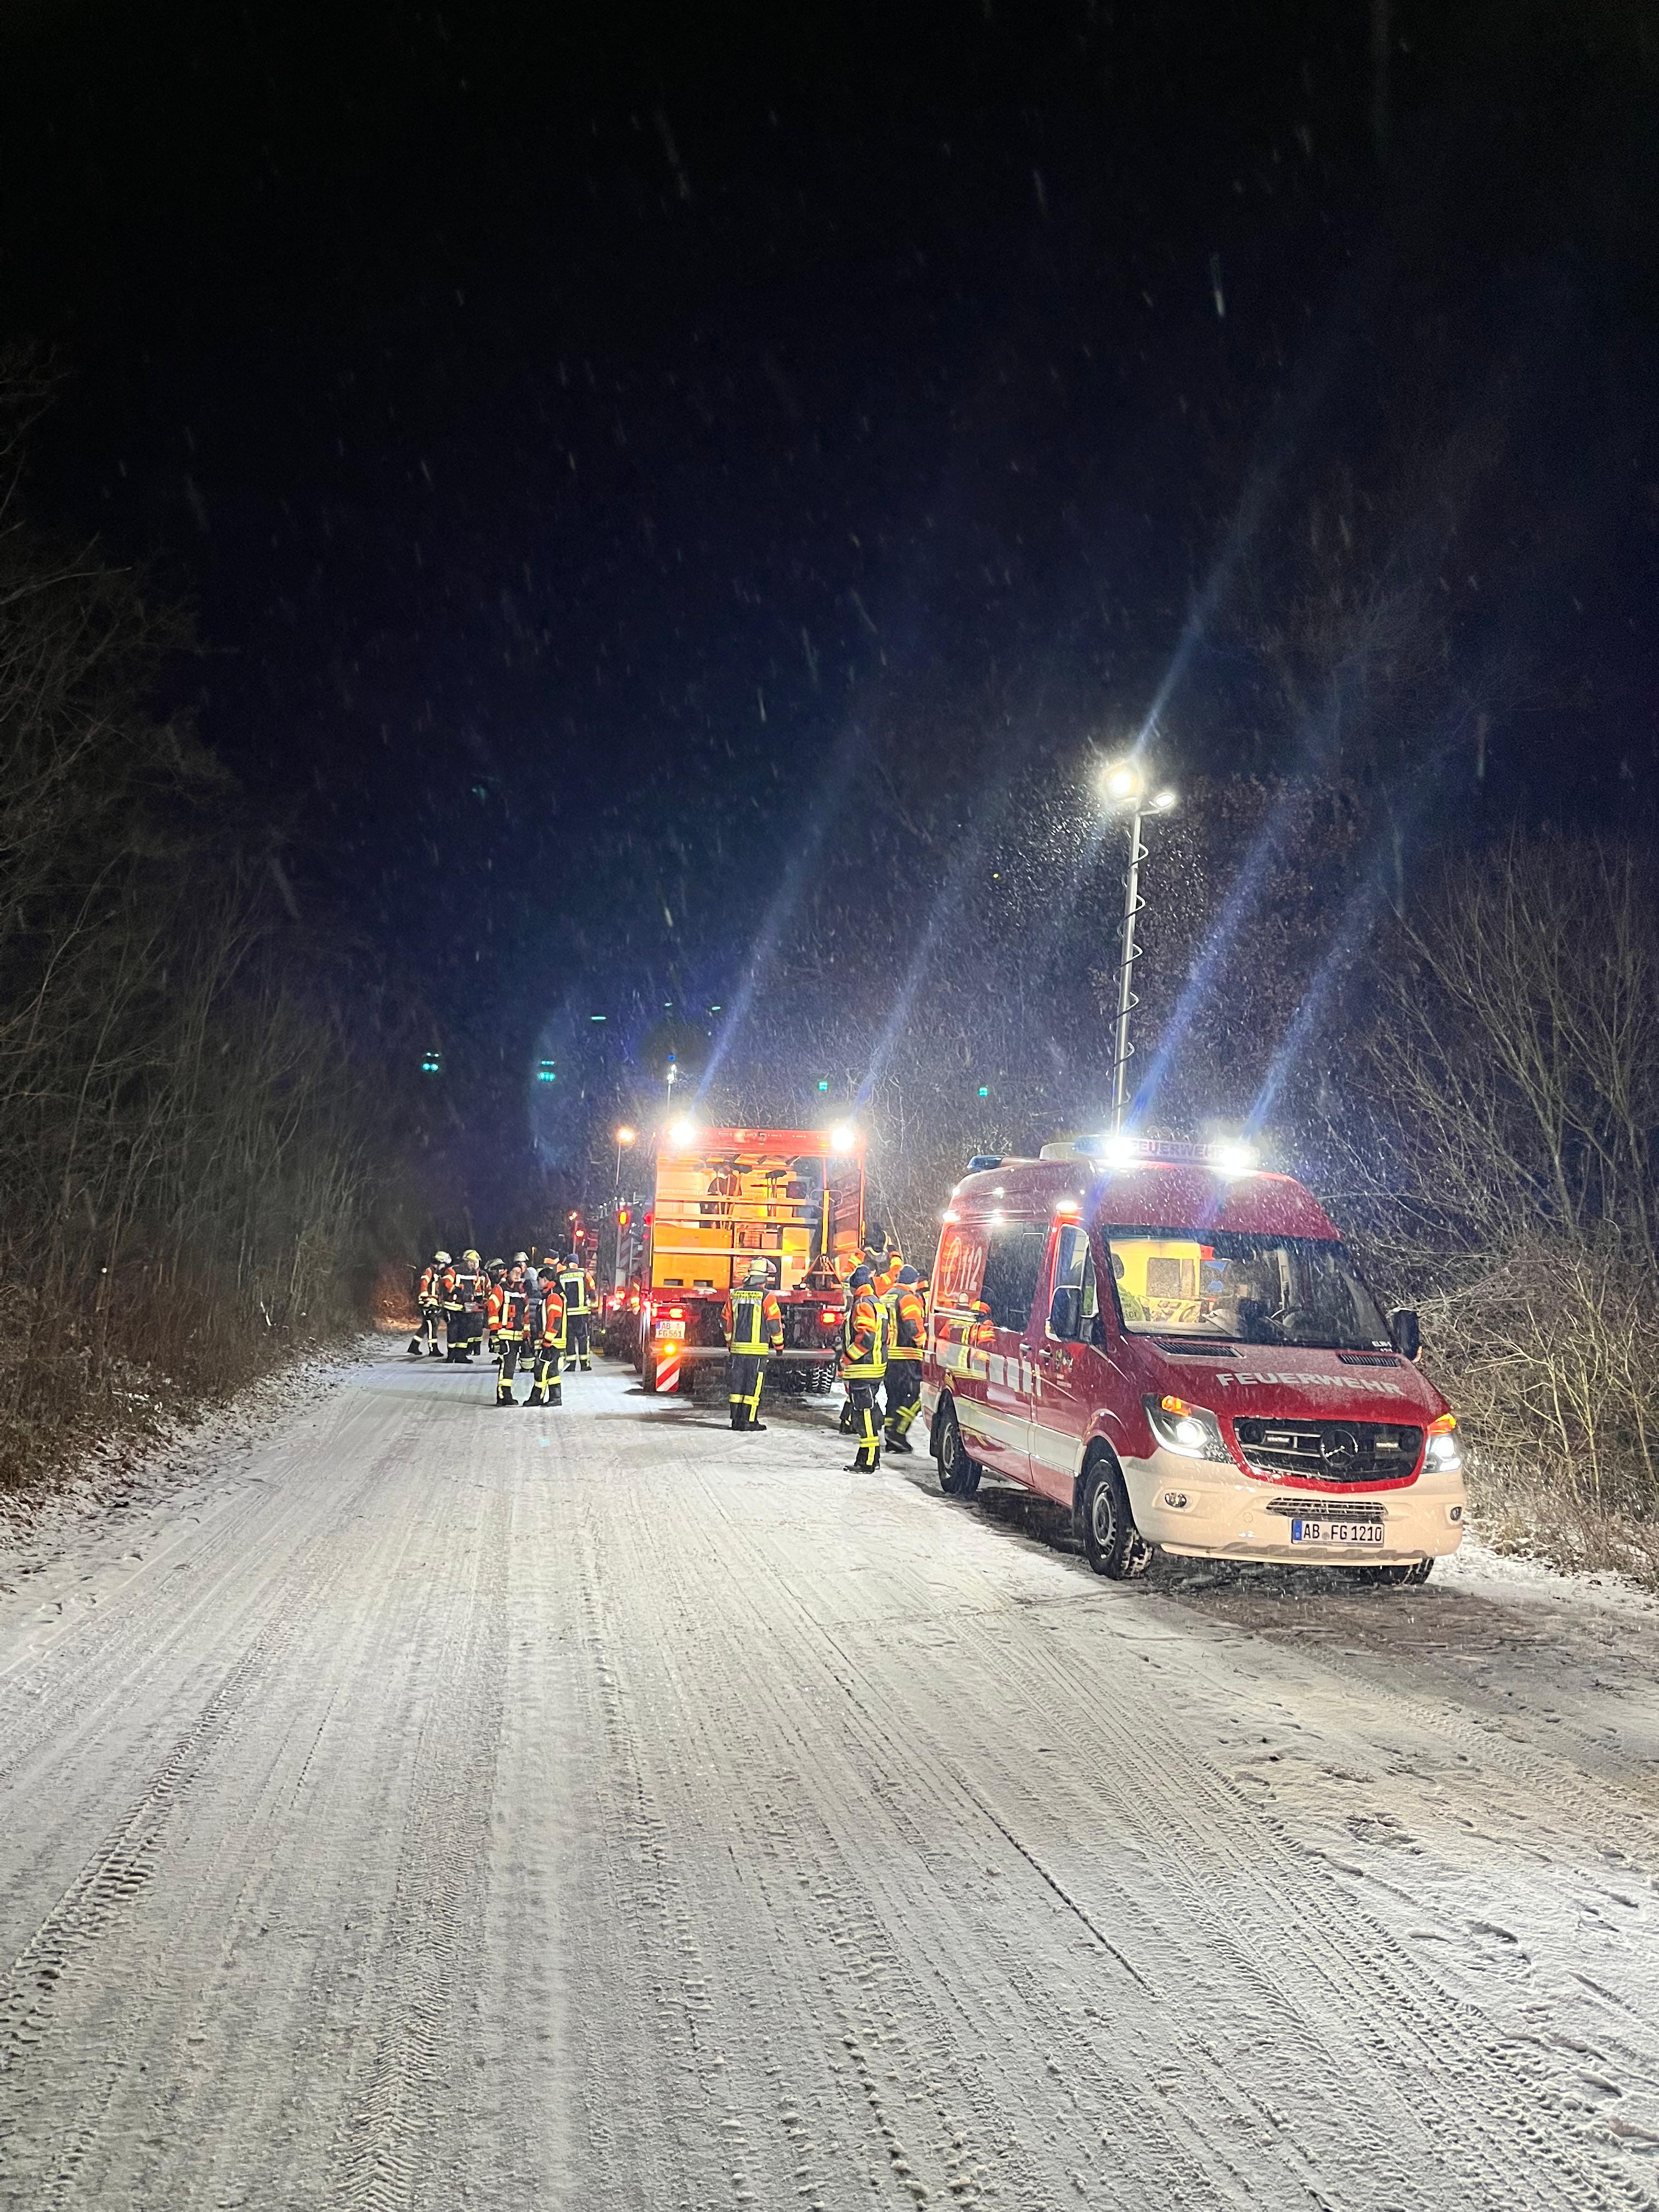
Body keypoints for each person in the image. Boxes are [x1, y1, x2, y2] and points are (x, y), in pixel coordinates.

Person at [723, 1259, 783, 1432]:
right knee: (752, 1386)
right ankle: (749, 1421)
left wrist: (729, 1342)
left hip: (737, 1350)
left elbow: (725, 1320)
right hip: (757, 1352)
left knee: (737, 1385)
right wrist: (779, 1346)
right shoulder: (767, 1296)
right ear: (763, 1279)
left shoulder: (734, 1294)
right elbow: (774, 1324)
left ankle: (736, 1420)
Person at [839, 1265, 888, 1472]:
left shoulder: (861, 1305)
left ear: (854, 1287)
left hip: (863, 1368)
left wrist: (847, 1358)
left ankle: (867, 1461)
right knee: (869, 1412)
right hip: (876, 1367)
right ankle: (871, 1458)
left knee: (863, 1414)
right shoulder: (878, 1304)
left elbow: (866, 1338)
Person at [883, 1266, 927, 1453]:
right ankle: (898, 1433)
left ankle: (890, 1435)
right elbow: (912, 1325)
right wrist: (923, 1342)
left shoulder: (888, 1295)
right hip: (906, 1356)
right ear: (913, 1281)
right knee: (915, 1397)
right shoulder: (908, 1297)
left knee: (894, 1397)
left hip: (888, 1356)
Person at [491, 1258, 532, 1406]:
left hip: (518, 1335)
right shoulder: (500, 1289)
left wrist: (527, 1334)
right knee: (506, 1365)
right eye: (514, 1272)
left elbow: (526, 1314)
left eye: (519, 1273)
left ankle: (506, 1393)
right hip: (505, 1334)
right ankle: (503, 1395)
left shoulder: (522, 1291)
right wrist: (495, 1334)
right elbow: (493, 1310)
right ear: (508, 1273)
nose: (517, 1275)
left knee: (511, 1366)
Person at [527, 1267, 567, 1408]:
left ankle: (539, 1396)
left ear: (545, 1280)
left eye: (539, 1280)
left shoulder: (553, 1296)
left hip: (552, 1342)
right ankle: (554, 1397)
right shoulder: (549, 1295)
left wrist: (547, 1343)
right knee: (550, 1370)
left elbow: (554, 1321)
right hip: (550, 1341)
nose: (538, 1282)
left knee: (542, 1370)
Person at [557, 1251, 596, 1372]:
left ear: (568, 1263)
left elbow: (558, 1293)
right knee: (583, 1338)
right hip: (581, 1313)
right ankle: (585, 1364)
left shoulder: (561, 1275)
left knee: (569, 1338)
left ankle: (571, 1364)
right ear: (577, 1264)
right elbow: (592, 1288)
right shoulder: (584, 1273)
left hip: (567, 1314)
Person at [411, 1250, 446, 1357]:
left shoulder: (435, 1273)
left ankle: (414, 1346)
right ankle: (433, 1349)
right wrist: (426, 1299)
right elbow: (424, 1284)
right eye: (443, 1263)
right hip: (428, 1303)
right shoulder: (429, 1271)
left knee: (426, 1326)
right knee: (433, 1325)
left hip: (432, 1302)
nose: (444, 1266)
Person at [454, 1248, 486, 1361]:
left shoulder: (475, 1273)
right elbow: (454, 1288)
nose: (473, 1264)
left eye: (475, 1262)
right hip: (460, 1305)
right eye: (471, 1262)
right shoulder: (457, 1271)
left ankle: (462, 1354)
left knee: (470, 1328)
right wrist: (463, 1296)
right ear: (465, 1261)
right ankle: (460, 1355)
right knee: (461, 1330)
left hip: (472, 1304)